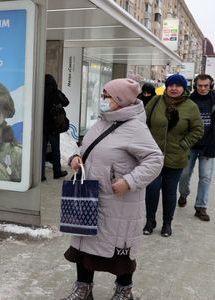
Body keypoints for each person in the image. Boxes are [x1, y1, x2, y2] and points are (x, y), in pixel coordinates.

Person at [61, 78, 164, 300]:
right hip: (90, 197)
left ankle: (124, 291)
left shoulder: (136, 127)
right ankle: (83, 288)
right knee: (84, 246)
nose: (103, 100)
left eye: (107, 96)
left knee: (120, 253)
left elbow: (155, 159)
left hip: (119, 203)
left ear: (120, 100)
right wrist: (75, 158)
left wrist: (130, 181)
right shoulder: (102, 122)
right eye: (103, 95)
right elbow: (86, 149)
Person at [143, 74, 204, 237]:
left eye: (178, 85)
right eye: (171, 85)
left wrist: (183, 144)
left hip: (176, 157)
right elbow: (142, 122)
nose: (174, 88)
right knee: (152, 190)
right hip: (153, 156)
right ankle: (150, 220)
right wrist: (146, 143)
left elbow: (198, 129)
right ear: (167, 87)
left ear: (184, 88)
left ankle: (167, 223)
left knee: (170, 192)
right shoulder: (155, 102)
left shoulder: (191, 106)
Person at [178, 74, 215, 221]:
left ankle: (201, 207)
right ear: (195, 86)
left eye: (206, 85)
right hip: (190, 145)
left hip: (209, 145)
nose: (203, 88)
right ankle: (183, 194)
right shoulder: (188, 101)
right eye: (200, 85)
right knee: (184, 174)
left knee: (205, 177)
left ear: (211, 85)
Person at [42, 74, 69, 180]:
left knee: (42, 151)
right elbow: (66, 102)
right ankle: (57, 172)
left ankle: (41, 175)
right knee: (55, 150)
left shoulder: (40, 93)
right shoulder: (55, 93)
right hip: (54, 126)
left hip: (42, 126)